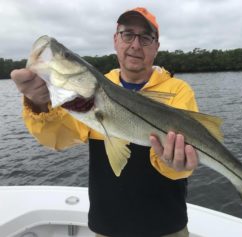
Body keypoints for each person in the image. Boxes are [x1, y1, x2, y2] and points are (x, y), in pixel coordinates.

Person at [11, 7, 199, 237]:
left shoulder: (177, 91)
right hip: (107, 227)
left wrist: (176, 164)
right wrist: (39, 104)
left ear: (156, 47)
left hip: (166, 227)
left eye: (146, 37)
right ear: (115, 40)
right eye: (127, 34)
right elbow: (57, 138)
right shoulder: (90, 93)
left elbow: (178, 164)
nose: (135, 45)